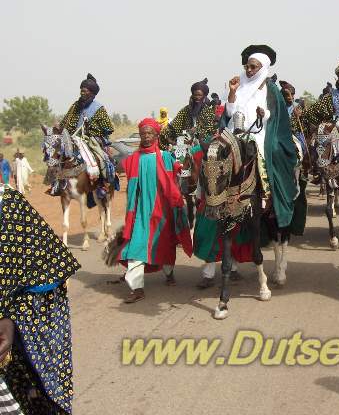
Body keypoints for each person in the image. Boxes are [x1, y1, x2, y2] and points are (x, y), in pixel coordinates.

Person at [195, 45, 299, 288]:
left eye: (253, 67)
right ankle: (202, 192)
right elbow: (229, 113)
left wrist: (265, 114)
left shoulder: (272, 89)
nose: (249, 70)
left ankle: (275, 196)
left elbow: (278, 118)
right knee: (208, 154)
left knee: (273, 153)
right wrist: (232, 93)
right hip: (233, 134)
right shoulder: (238, 84)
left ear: (263, 68)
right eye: (247, 66)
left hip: (262, 134)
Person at [0, 185, 80, 414]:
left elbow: (40, 276)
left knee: (99, 164)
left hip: (24, 315)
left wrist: (9, 318)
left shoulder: (6, 204)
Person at [118, 118, 193, 303]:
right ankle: (137, 289)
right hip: (140, 213)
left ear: (156, 135)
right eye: (143, 133)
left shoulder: (166, 157)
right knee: (136, 248)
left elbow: (182, 171)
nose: (146, 136)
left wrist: (186, 160)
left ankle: (169, 273)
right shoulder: (133, 159)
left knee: (165, 245)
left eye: (149, 133)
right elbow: (122, 173)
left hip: (163, 212)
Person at [57, 73, 116, 197]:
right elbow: (65, 122)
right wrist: (60, 129)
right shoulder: (75, 106)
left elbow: (108, 128)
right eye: (81, 90)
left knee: (101, 158)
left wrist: (91, 128)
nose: (82, 93)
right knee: (57, 155)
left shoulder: (99, 108)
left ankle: (103, 184)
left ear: (92, 93)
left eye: (85, 91)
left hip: (91, 139)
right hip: (73, 139)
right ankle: (57, 184)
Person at [159, 78, 217, 149]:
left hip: (203, 145)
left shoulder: (209, 112)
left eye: (199, 95)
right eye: (195, 95)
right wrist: (165, 134)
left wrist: (197, 130)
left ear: (204, 96)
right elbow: (174, 125)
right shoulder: (185, 110)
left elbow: (211, 130)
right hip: (184, 142)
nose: (197, 97)